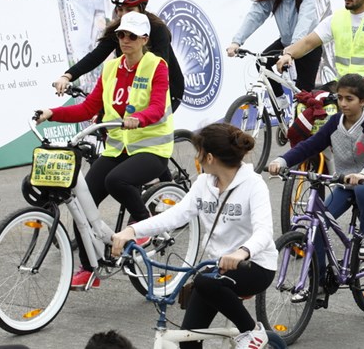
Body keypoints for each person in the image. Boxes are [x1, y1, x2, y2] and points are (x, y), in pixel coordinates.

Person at [37, 12, 174, 289]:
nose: (125, 40)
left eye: (132, 36)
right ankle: (90, 267)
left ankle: (144, 226)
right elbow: (88, 108)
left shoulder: (156, 66)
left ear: (144, 39)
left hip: (152, 146)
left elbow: (158, 107)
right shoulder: (111, 68)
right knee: (81, 200)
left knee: (117, 181)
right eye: (121, 35)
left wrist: (140, 118)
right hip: (117, 147)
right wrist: (52, 113)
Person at [111, 123, 277, 349]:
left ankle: (252, 333)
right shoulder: (203, 184)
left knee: (203, 281)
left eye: (197, 153)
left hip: (254, 265)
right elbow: (175, 216)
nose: (195, 158)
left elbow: (264, 231)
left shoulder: (253, 184)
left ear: (209, 157)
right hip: (216, 269)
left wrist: (241, 252)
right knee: (188, 340)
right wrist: (132, 230)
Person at [268, 73, 364, 265]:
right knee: (317, 225)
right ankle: (319, 284)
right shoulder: (335, 122)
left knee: (362, 188)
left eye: (349, 99)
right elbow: (310, 145)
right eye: (340, 98)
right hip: (344, 184)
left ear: (362, 101)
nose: (343, 103)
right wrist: (282, 161)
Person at [52, 0, 185, 111]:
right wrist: (67, 76)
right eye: (120, 9)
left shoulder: (157, 29)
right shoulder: (118, 28)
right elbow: (97, 55)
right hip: (130, 88)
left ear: (142, 8)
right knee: (103, 122)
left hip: (166, 89)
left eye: (130, 9)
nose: (123, 14)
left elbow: (159, 67)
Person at [227, 0, 321, 94]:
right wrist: (236, 42)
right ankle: (280, 99)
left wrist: (291, 51)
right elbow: (256, 14)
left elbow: (305, 20)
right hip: (286, 42)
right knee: (261, 62)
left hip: (308, 46)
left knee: (304, 97)